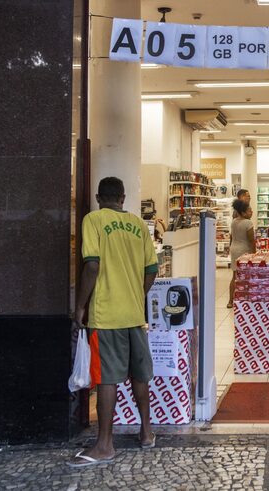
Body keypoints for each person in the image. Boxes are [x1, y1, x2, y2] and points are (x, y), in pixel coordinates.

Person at [70, 177, 159, 467]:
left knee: (107, 378)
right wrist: (137, 295)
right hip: (134, 315)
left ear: (98, 197)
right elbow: (152, 269)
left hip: (106, 315)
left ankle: (105, 444)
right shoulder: (137, 224)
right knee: (139, 374)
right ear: (123, 197)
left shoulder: (93, 220)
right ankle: (146, 432)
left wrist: (80, 306)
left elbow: (92, 265)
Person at [227, 198, 256, 308]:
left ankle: (230, 301)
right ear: (243, 212)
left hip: (234, 249)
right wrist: (254, 254)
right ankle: (246, 299)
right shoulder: (248, 223)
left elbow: (231, 237)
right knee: (246, 276)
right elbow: (251, 241)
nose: (251, 212)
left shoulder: (234, 222)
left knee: (234, 276)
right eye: (249, 210)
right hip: (244, 250)